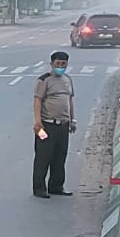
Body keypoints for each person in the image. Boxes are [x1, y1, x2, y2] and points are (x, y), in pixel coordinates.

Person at [33, 50, 75, 198]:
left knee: (60, 156)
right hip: (46, 125)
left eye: (63, 64)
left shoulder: (67, 79)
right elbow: (38, 100)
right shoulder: (44, 80)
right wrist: (38, 122)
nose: (60, 66)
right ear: (51, 64)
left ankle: (56, 186)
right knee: (43, 157)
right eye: (57, 64)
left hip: (63, 125)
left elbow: (69, 101)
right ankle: (39, 188)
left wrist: (72, 120)